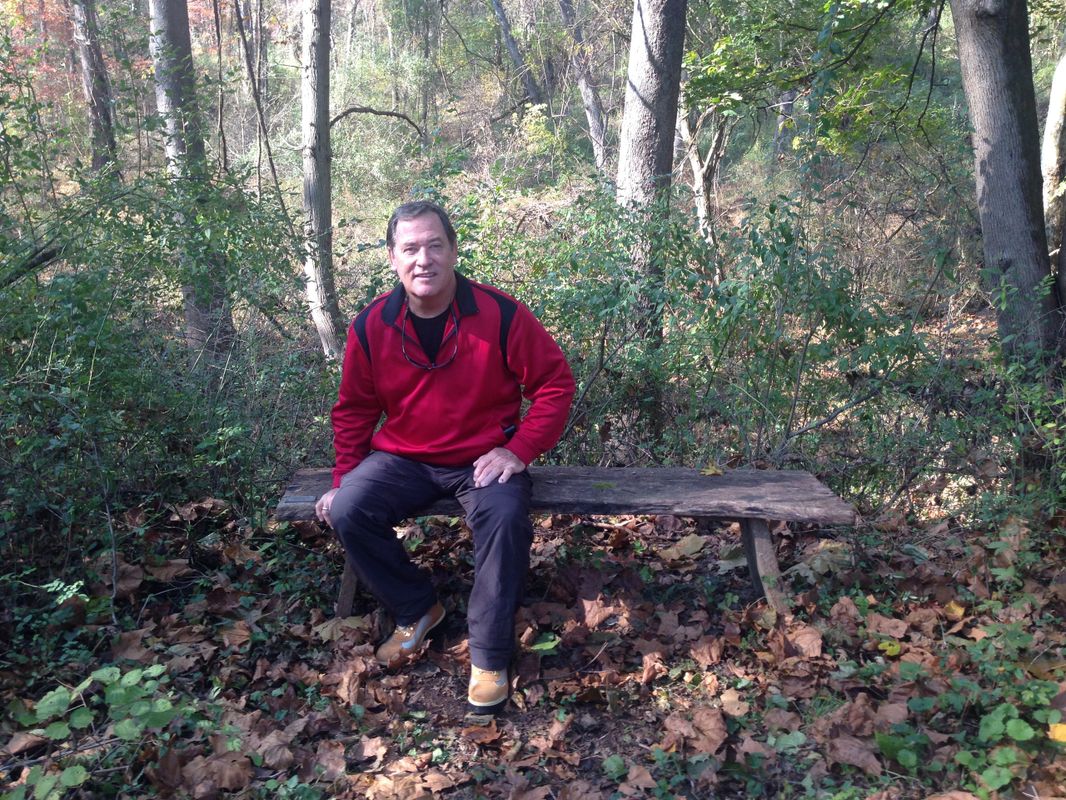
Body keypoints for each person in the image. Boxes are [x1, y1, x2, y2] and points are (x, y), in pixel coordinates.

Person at [314, 200, 575, 714]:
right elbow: (355, 409)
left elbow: (554, 384)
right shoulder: (371, 324)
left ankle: (489, 654)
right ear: (392, 257)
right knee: (348, 509)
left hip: (482, 460)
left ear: (454, 251)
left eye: (435, 245)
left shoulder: (500, 313)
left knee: (505, 518)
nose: (424, 259)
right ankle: (417, 609)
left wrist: (519, 449)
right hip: (403, 460)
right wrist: (343, 477)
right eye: (410, 248)